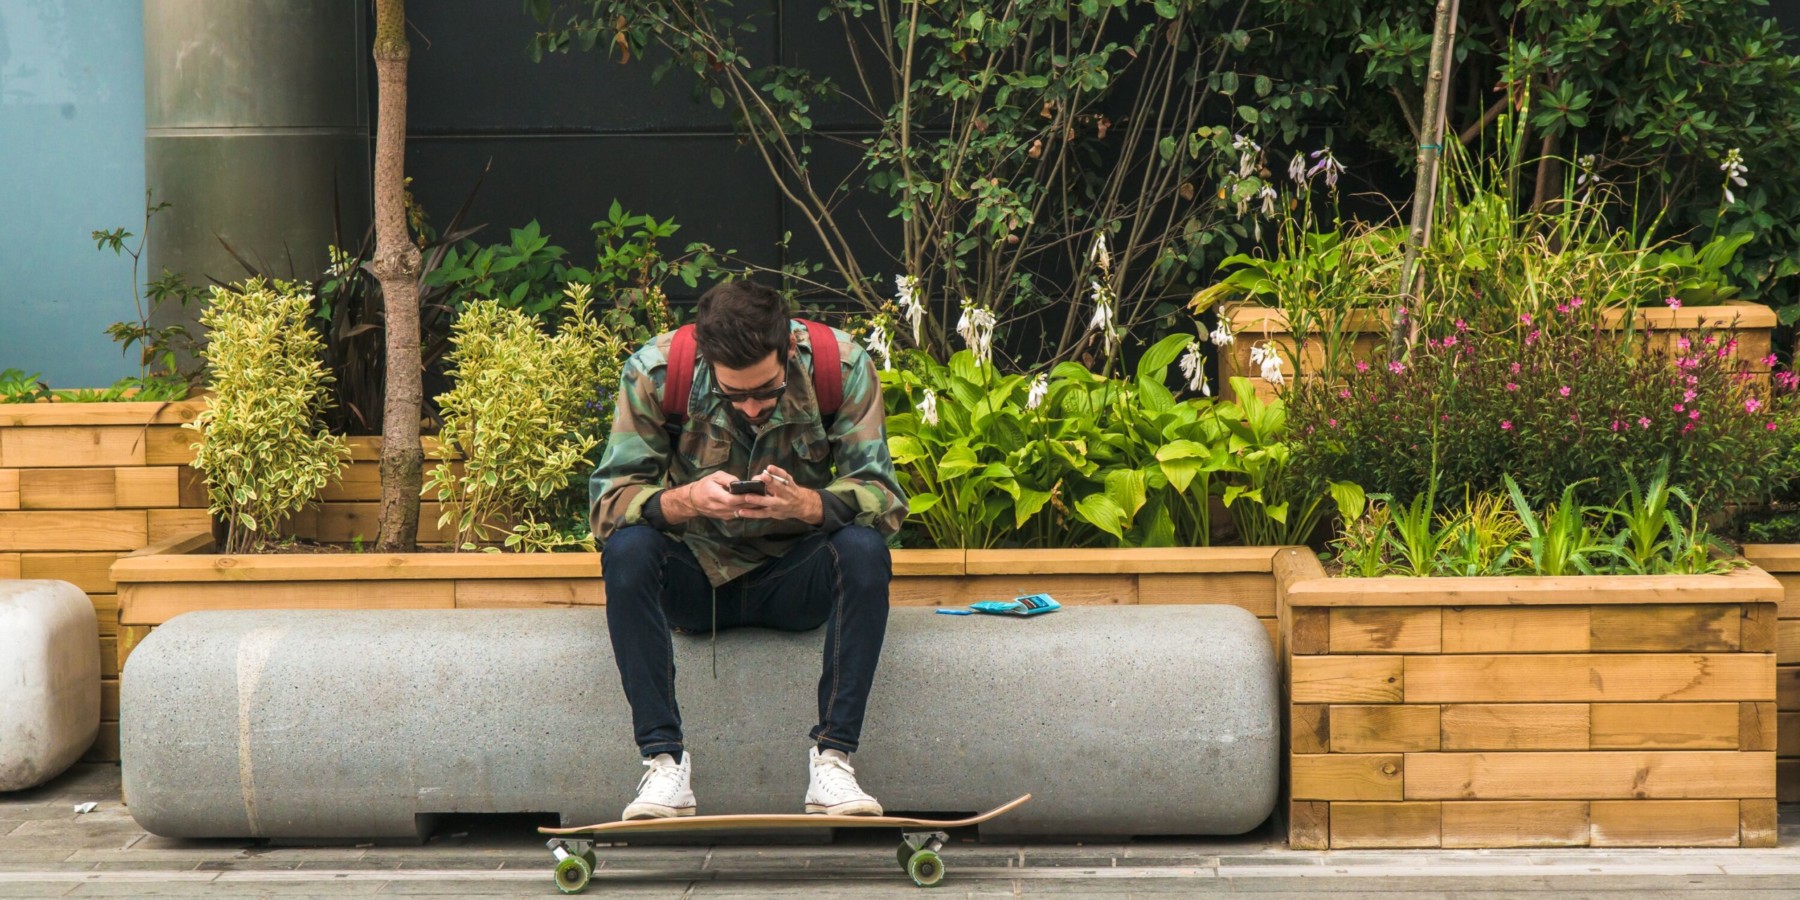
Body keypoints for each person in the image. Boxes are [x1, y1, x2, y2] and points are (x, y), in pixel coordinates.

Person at [588, 280, 907, 820]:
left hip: (795, 580)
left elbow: (884, 499)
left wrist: (806, 505)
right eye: (736, 394)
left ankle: (833, 762)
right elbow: (607, 505)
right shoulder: (657, 371)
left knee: (863, 549)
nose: (754, 407)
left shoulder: (841, 365)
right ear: (709, 362)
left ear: (787, 350)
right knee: (628, 551)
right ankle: (663, 765)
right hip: (695, 585)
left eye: (767, 390)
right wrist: (686, 499)